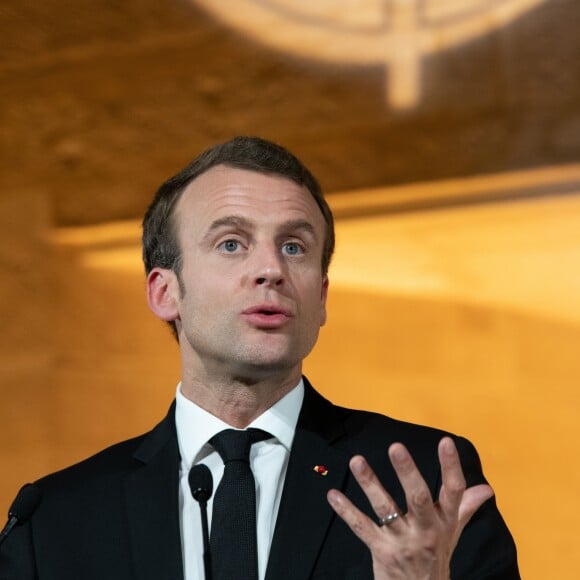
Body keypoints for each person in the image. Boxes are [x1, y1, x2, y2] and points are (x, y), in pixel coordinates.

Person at [0, 136, 519, 579]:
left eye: (294, 247)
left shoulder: (423, 485)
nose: (271, 269)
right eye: (232, 244)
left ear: (321, 298)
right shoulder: (57, 517)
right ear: (165, 292)